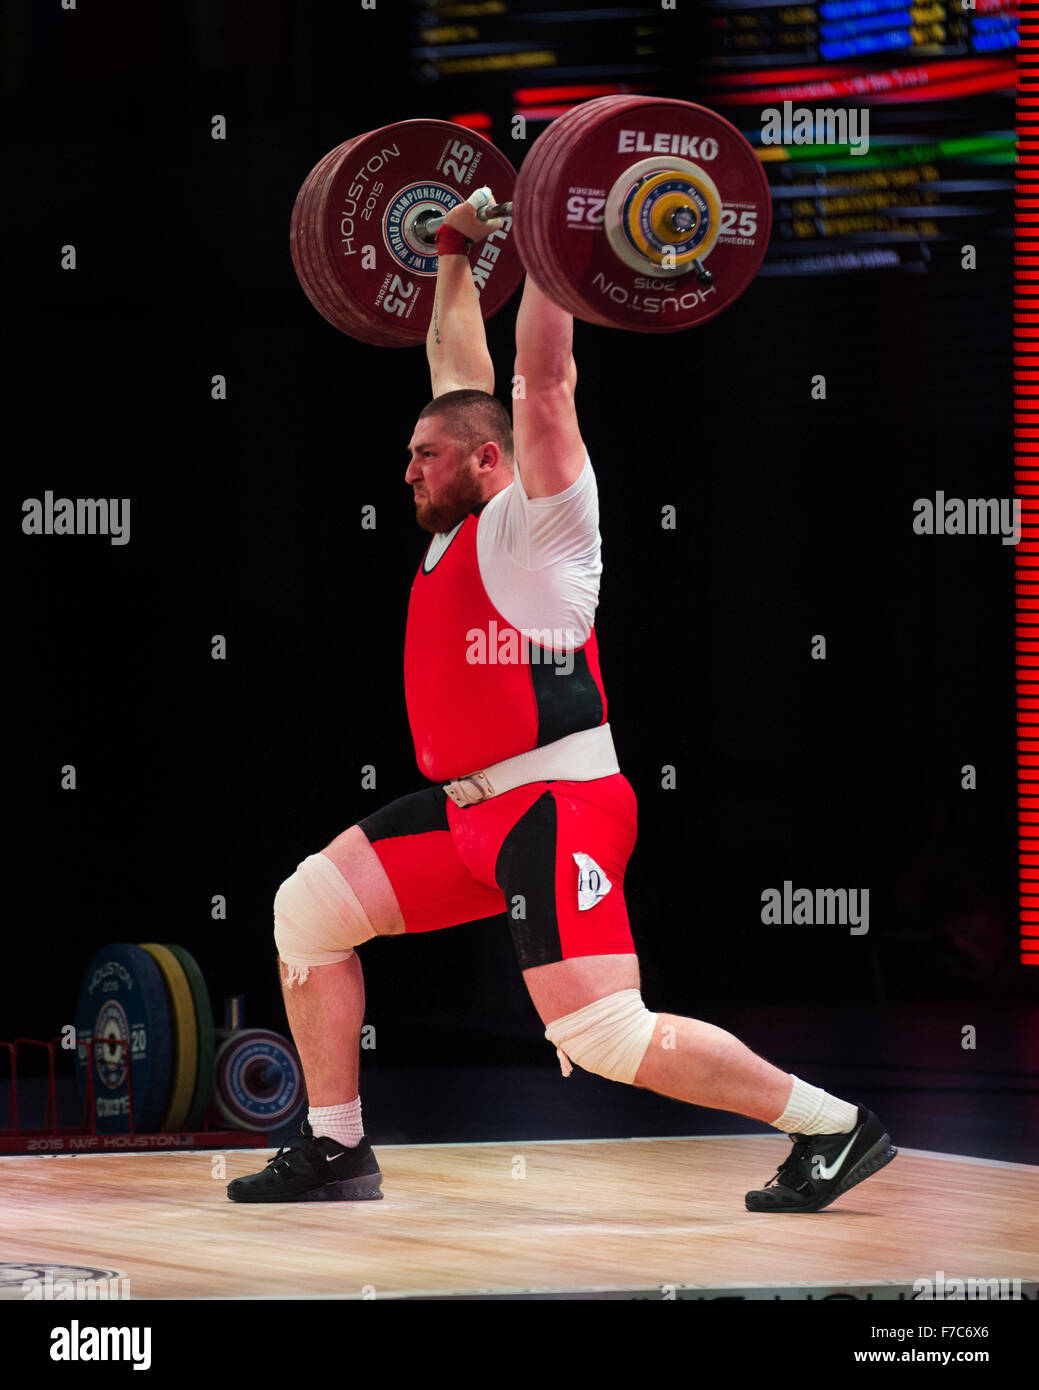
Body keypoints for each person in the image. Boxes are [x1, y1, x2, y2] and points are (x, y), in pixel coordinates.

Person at [228, 189, 896, 1211]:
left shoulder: (543, 526)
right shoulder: (458, 514)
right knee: (307, 910)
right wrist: (454, 253)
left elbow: (541, 385)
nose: (407, 469)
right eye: (410, 451)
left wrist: (547, 252)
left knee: (604, 1036)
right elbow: (461, 369)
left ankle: (833, 1126)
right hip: (467, 812)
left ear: (488, 461)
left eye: (427, 455)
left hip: (555, 808)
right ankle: (335, 1147)